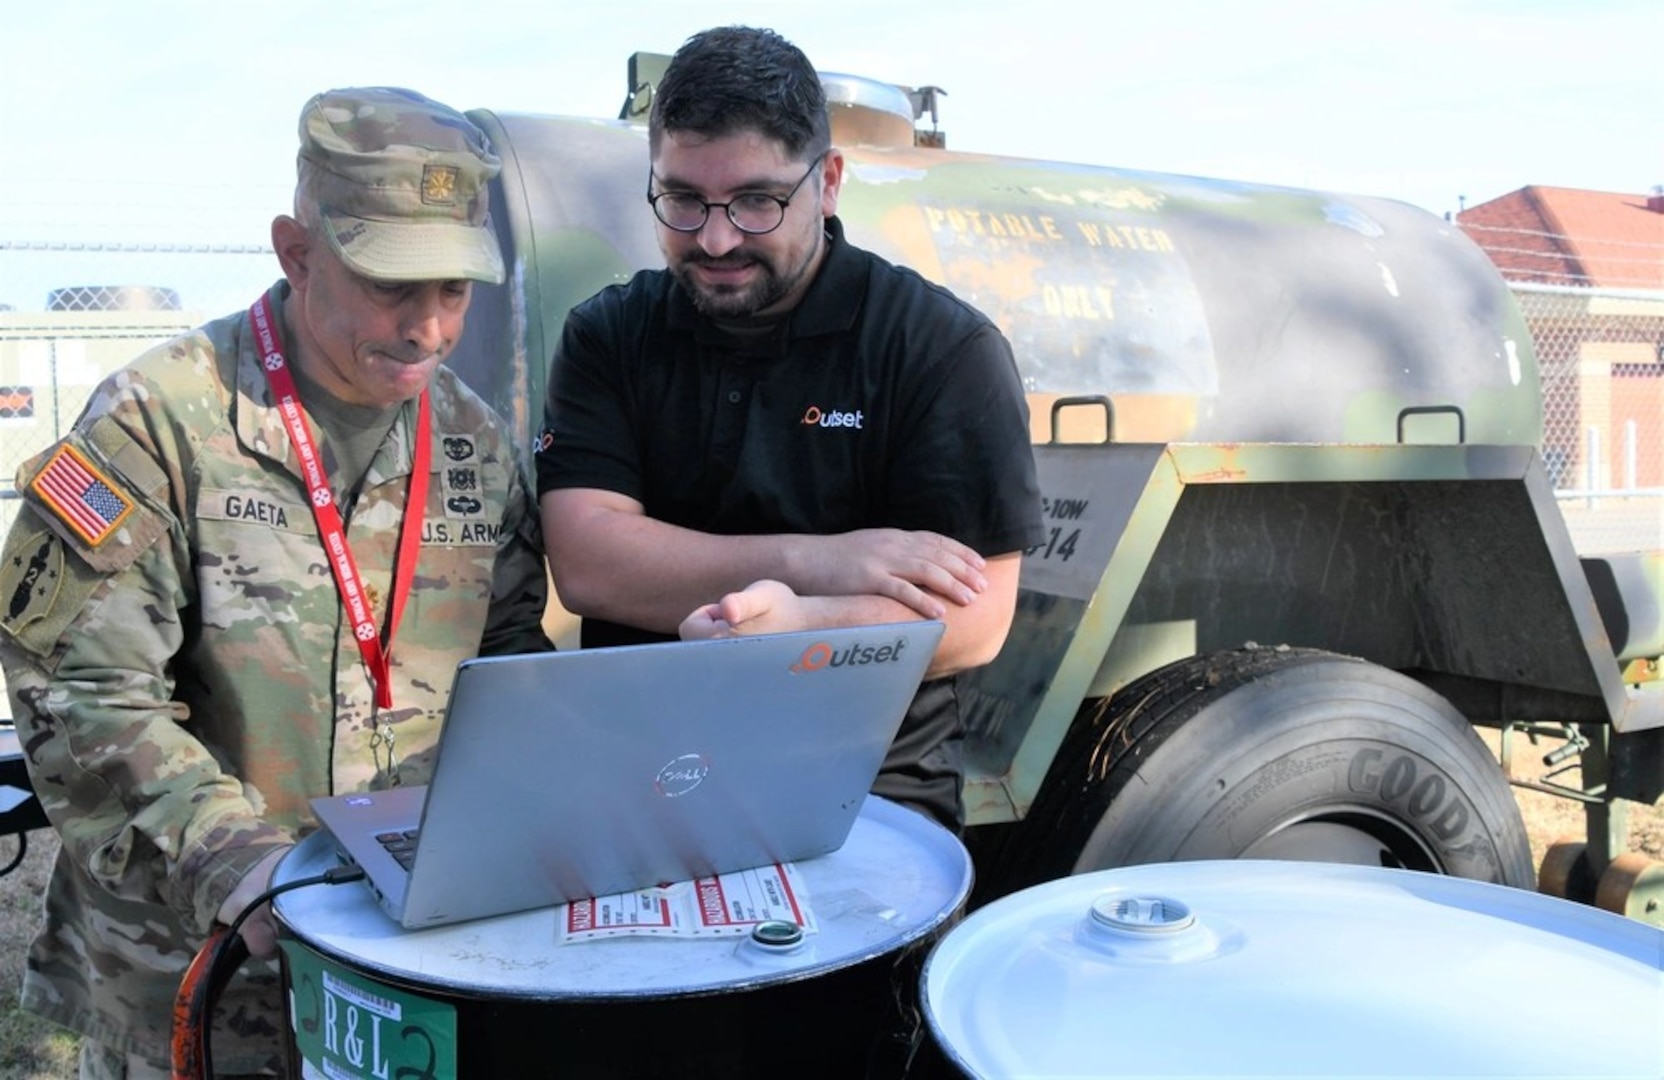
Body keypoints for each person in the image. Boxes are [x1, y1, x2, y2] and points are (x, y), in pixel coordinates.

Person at [0, 87, 552, 1077]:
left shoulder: (471, 440)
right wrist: (241, 869)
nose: (429, 329)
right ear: (296, 253)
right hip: (186, 966)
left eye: (456, 292)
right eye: (394, 286)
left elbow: (506, 656)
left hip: (399, 959)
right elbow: (78, 691)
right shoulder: (157, 423)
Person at [537, 25, 1043, 833]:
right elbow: (589, 563)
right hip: (646, 781)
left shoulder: (939, 349)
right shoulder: (609, 334)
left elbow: (975, 621)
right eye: (682, 200)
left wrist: (802, 627)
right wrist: (823, 562)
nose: (716, 238)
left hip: (864, 793)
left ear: (829, 181)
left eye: (757, 202)